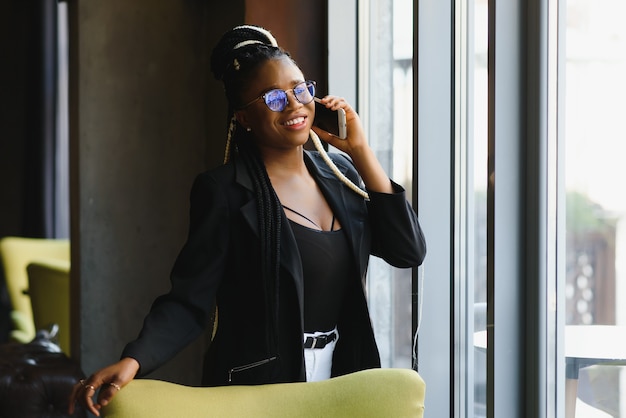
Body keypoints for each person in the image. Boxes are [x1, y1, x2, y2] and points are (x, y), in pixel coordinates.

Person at [69, 24, 426, 416]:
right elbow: (189, 301)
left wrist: (359, 150)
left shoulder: (342, 174)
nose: (294, 104)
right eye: (273, 97)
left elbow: (406, 250)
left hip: (344, 370)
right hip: (261, 385)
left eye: (300, 88)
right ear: (243, 118)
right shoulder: (224, 192)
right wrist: (134, 360)